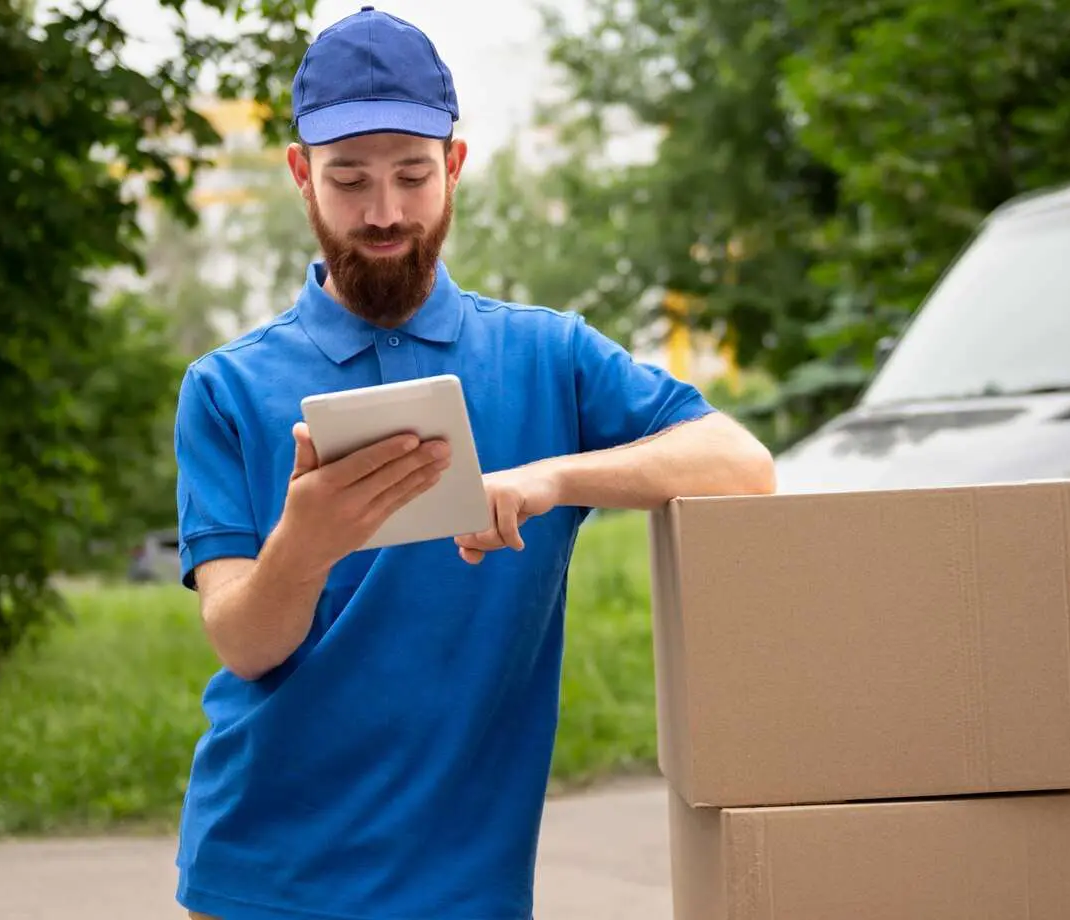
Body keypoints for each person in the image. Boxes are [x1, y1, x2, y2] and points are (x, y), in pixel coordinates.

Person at [171, 6, 776, 919]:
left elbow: (742, 463)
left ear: (454, 165)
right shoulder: (226, 388)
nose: (385, 213)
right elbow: (244, 644)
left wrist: (552, 478)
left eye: (413, 175)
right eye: (350, 180)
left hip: (470, 887)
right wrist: (307, 540)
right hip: (266, 878)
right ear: (302, 176)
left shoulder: (549, 357)